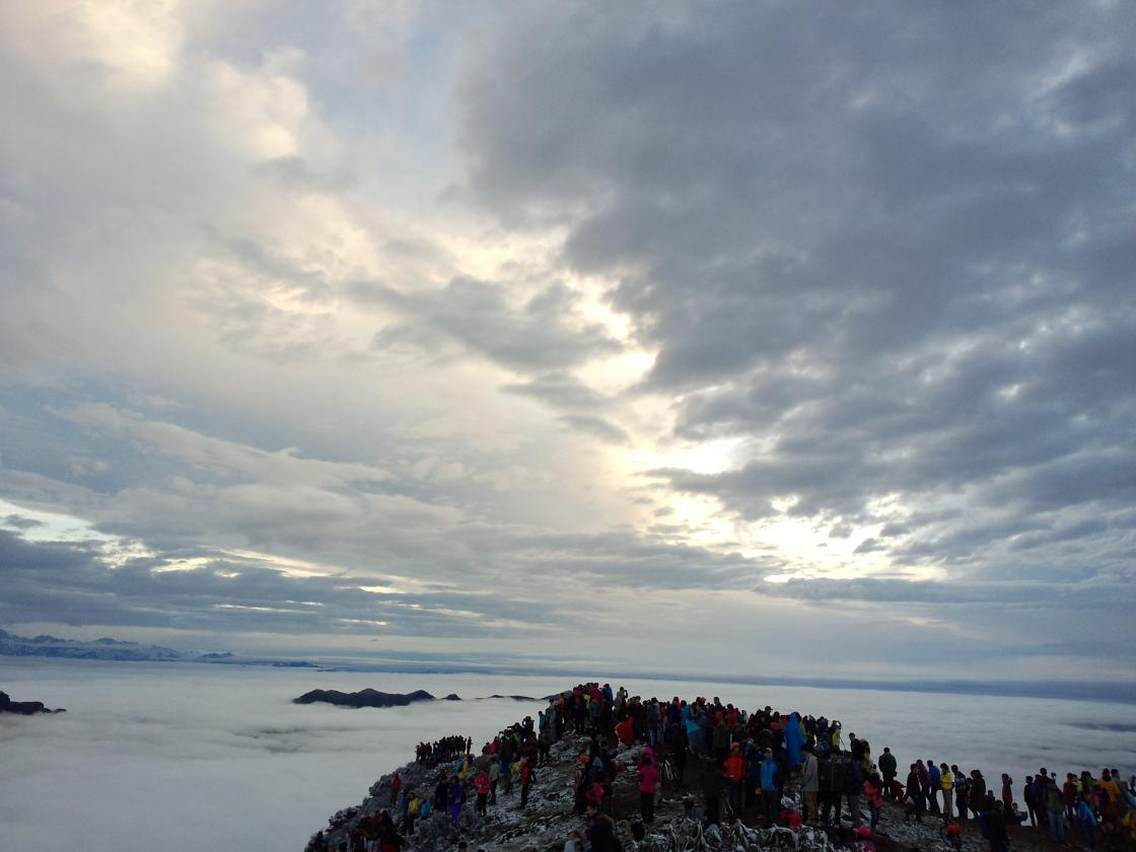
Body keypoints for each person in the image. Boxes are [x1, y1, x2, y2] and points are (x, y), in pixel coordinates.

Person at [639, 747, 659, 823]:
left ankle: (644, 818)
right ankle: (650, 818)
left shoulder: (642, 770)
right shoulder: (654, 770)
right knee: (650, 804)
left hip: (643, 789)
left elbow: (640, 779)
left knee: (643, 804)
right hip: (651, 789)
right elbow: (656, 779)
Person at [801, 745, 819, 824]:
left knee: (810, 802)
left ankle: (812, 818)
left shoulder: (810, 760)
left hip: (809, 785)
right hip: (813, 784)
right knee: (813, 802)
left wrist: (803, 782)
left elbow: (808, 773)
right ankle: (815, 817)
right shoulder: (812, 759)